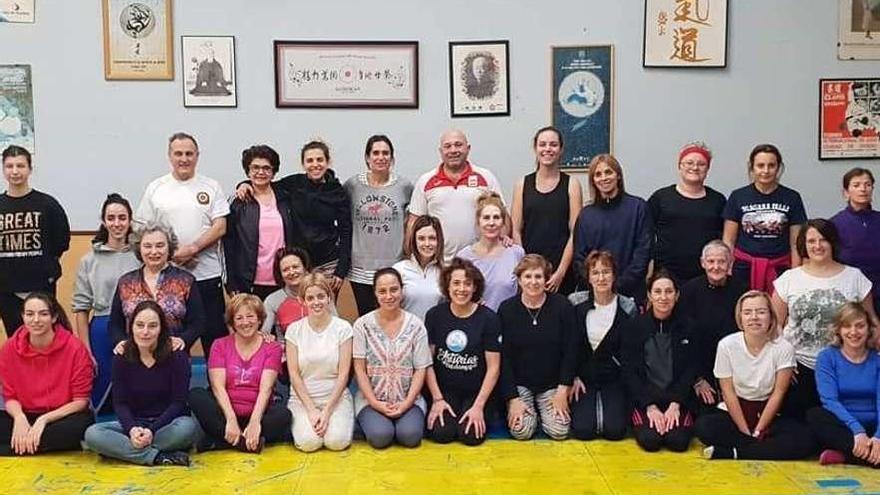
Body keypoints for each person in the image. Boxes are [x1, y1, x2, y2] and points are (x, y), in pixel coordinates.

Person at [772, 219, 879, 418]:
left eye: (823, 240)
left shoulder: (855, 277)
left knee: (838, 422)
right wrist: (783, 359)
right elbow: (774, 325)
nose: (817, 246)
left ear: (833, 243)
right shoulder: (789, 279)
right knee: (801, 425)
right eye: (811, 241)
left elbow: (871, 321)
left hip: (844, 367)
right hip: (799, 367)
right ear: (803, 245)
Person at [135, 132, 229, 357]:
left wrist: (193, 248)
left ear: (197, 156)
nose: (184, 159)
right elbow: (142, 230)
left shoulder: (211, 186)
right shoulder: (156, 188)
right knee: (173, 340)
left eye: (189, 154)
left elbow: (220, 227)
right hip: (168, 278)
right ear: (170, 156)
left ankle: (217, 390)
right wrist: (172, 255)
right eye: (178, 154)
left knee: (215, 339)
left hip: (207, 276)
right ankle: (172, 390)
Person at [696, 290, 815, 460]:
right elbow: (728, 392)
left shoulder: (783, 347)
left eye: (761, 312)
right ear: (740, 318)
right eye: (747, 312)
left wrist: (759, 430)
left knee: (804, 440)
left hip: (770, 413)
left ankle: (735, 453)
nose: (754, 317)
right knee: (704, 427)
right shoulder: (726, 345)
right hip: (736, 411)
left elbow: (778, 393)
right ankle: (760, 449)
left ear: (771, 317)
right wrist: (745, 431)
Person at [83, 301, 197, 466]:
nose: (145, 332)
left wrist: (151, 430)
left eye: (152, 326)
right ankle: (157, 457)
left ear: (161, 329)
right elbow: (120, 404)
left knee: (188, 427)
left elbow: (178, 403)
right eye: (140, 325)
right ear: (132, 327)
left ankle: (123, 451)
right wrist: (132, 429)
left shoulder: (177, 357)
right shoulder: (121, 357)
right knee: (93, 434)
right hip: (134, 424)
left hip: (166, 425)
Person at [239, 140, 351, 294]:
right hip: (299, 263)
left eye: (320, 159)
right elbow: (265, 183)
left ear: (328, 161)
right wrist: (244, 184)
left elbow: (346, 231)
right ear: (303, 164)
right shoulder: (294, 183)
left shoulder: (338, 192)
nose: (315, 164)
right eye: (309, 160)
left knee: (323, 307)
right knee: (299, 308)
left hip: (328, 263)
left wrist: (341, 270)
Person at [189, 294, 290, 452]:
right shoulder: (219, 345)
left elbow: (267, 389)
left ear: (259, 320)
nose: (245, 322)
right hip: (226, 412)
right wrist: (231, 419)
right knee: (196, 395)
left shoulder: (272, 347)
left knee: (283, 415)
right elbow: (218, 387)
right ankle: (246, 443)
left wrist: (255, 421)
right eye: (239, 318)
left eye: (250, 316)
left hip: (258, 411)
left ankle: (221, 441)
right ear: (232, 322)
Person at [0, 293, 93, 456]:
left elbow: (80, 401)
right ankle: (34, 445)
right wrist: (19, 418)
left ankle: (13, 448)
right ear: (22, 317)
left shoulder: (75, 348)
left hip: (59, 417)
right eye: (29, 314)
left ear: (54, 317)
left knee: (82, 425)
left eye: (43, 314)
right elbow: (10, 397)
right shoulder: (9, 349)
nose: (36, 320)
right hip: (25, 413)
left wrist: (44, 420)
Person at [498, 254, 579, 441]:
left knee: (560, 431)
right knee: (522, 431)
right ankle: (528, 414)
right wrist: (513, 398)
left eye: (538, 276)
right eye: (527, 277)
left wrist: (562, 389)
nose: (533, 282)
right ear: (519, 280)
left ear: (546, 279)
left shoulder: (562, 306)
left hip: (552, 384)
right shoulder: (507, 309)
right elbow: (504, 357)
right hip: (520, 385)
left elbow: (571, 350)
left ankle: (544, 413)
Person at [72, 194, 140, 411]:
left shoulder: (141, 254)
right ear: (103, 221)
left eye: (122, 217)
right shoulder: (89, 260)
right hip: (102, 329)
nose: (117, 223)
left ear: (130, 220)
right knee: (102, 392)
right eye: (111, 218)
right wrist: (85, 350)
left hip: (138, 327)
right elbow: (81, 309)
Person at [425, 258, 501, 446]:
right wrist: (437, 399)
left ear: (475, 288)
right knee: (442, 434)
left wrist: (478, 406)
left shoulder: (489, 318)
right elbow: (427, 362)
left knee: (471, 436)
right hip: (445, 390)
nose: (462, 289)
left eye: (468, 284)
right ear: (447, 286)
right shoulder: (435, 315)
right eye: (456, 283)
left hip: (476, 391)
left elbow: (494, 368)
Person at [353, 268, 432, 448]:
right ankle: (372, 421)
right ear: (375, 293)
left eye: (394, 289)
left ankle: (404, 420)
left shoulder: (416, 325)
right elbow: (359, 368)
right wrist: (374, 402)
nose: (389, 296)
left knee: (410, 437)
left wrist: (406, 403)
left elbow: (421, 368)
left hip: (409, 399)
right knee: (381, 437)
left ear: (402, 290)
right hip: (371, 400)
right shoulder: (362, 325)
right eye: (382, 291)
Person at [622, 270, 698, 453]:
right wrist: (650, 406)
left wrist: (676, 404)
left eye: (669, 291)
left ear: (677, 294)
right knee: (651, 441)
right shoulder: (634, 327)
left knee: (677, 442)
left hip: (676, 399)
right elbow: (630, 371)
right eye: (657, 292)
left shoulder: (689, 327)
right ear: (649, 295)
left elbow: (691, 369)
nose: (663, 297)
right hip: (646, 399)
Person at [0, 145, 70, 336]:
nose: (15, 171)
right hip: (7, 291)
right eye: (10, 166)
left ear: (30, 169)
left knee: (46, 338)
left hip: (42, 286)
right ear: (3, 169)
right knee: (16, 341)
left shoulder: (48, 205)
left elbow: (61, 241)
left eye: (20, 166)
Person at [568, 250, 637, 441]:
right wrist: (571, 377)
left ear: (614, 275)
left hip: (613, 378)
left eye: (606, 272)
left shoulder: (627, 306)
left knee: (615, 431)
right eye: (595, 273)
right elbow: (568, 346)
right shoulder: (575, 302)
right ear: (588, 277)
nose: (601, 278)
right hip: (583, 379)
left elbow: (631, 352)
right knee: (583, 430)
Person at [408, 129, 504, 263]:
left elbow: (501, 215)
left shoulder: (486, 177)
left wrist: (501, 247)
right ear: (440, 151)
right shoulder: (425, 181)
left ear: (468, 148)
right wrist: (414, 257)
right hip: (438, 263)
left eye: (458, 145)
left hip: (479, 261)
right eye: (447, 146)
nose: (453, 150)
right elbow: (414, 222)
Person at [722, 143, 807, 292]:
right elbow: (729, 240)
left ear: (779, 167)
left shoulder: (792, 197)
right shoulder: (738, 196)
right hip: (743, 268)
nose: (766, 171)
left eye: (771, 165)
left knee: (776, 312)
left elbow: (795, 243)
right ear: (752, 168)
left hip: (780, 268)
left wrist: (796, 274)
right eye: (760, 165)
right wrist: (727, 269)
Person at [344, 135, 413, 315]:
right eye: (375, 153)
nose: (380, 157)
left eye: (385, 153)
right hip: (361, 267)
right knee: (366, 317)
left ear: (392, 157)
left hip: (394, 265)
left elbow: (413, 222)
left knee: (392, 316)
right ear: (367, 157)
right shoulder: (352, 185)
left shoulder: (404, 186)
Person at [109, 222, 204, 352]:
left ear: (169, 248)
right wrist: (120, 341)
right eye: (148, 246)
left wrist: (184, 340)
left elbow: (198, 322)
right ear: (139, 248)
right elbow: (115, 323)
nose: (154, 252)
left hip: (173, 355)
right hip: (135, 356)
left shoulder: (186, 280)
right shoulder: (125, 282)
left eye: (160, 246)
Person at [285, 272, 354, 452]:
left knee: (336, 442)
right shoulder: (294, 330)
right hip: (303, 400)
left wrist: (328, 411)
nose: (316, 302)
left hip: (335, 399)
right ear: (302, 300)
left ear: (329, 297)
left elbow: (344, 373)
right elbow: (293, 373)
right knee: (309, 443)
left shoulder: (343, 328)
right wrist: (311, 410)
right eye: (310, 298)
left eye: (321, 296)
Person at [511, 126, 582, 295]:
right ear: (535, 148)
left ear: (561, 149)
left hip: (561, 272)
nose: (548, 149)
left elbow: (576, 232)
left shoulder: (572, 185)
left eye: (553, 144)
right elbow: (515, 229)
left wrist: (561, 272)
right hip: (530, 275)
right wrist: (527, 269)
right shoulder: (522, 184)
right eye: (542, 144)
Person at [807, 302, 880, 466]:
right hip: (845, 427)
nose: (853, 332)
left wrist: (878, 437)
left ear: (869, 329)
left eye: (860, 326)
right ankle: (870, 457)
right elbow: (829, 400)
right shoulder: (827, 358)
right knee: (815, 415)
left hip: (874, 425)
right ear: (838, 330)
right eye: (847, 326)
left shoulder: (877, 359)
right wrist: (857, 430)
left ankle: (847, 456)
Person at [678, 241, 748, 412]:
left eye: (721, 261)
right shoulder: (688, 291)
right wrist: (697, 379)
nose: (716, 267)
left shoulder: (742, 290)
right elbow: (681, 339)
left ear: (730, 263)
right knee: (705, 412)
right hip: (700, 369)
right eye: (711, 262)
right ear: (702, 263)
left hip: (735, 369)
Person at [573, 154, 652, 304]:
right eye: (598, 174)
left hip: (630, 295)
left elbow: (643, 253)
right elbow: (579, 260)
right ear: (593, 181)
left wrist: (617, 286)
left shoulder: (638, 208)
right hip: (595, 296)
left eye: (608, 172)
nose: (604, 178)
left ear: (618, 176)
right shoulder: (586, 215)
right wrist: (599, 287)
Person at [224, 145, 301, 299]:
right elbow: (228, 245)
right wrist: (231, 282)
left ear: (273, 172)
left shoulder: (285, 199)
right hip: (248, 281)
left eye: (266, 168)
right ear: (248, 171)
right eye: (255, 168)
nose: (260, 172)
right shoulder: (238, 203)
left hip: (283, 279)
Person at [648, 141, 726, 283]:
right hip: (667, 276)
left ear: (708, 168)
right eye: (689, 163)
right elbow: (646, 236)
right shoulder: (661, 198)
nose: (695, 167)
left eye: (701, 164)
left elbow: (724, 240)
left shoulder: (718, 201)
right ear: (680, 166)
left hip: (706, 276)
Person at [457, 192, 524, 311]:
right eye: (486, 218)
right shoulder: (464, 257)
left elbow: (523, 293)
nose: (491, 223)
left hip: (508, 323)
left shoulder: (516, 253)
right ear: (478, 221)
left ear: (503, 222)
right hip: (476, 324)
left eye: (496, 217)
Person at [831, 167, 880, 315]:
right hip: (849, 293)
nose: (863, 189)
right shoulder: (835, 224)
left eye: (867, 184)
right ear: (846, 192)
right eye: (856, 185)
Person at [393, 215, 444, 321]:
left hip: (433, 334)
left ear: (439, 240)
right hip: (405, 333)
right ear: (414, 241)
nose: (427, 243)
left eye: (432, 238)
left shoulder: (444, 273)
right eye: (421, 238)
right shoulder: (399, 270)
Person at [262, 247, 312, 341]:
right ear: (280, 275)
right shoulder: (272, 300)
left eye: (295, 267)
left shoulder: (320, 293)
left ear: (305, 268)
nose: (292, 272)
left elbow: (334, 325)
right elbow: (264, 333)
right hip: (287, 350)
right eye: (286, 270)